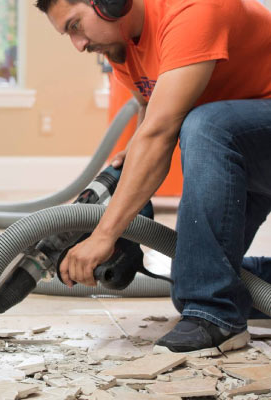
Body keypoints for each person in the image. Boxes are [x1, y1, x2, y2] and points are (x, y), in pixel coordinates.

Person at [35, 0, 271, 356]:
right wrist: (117, 187)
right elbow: (153, 115)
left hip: (245, 135)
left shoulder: (193, 8)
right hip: (250, 146)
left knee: (206, 125)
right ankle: (225, 296)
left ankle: (216, 318)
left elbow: (161, 133)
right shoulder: (123, 50)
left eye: (74, 26)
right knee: (195, 278)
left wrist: (105, 234)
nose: (78, 44)